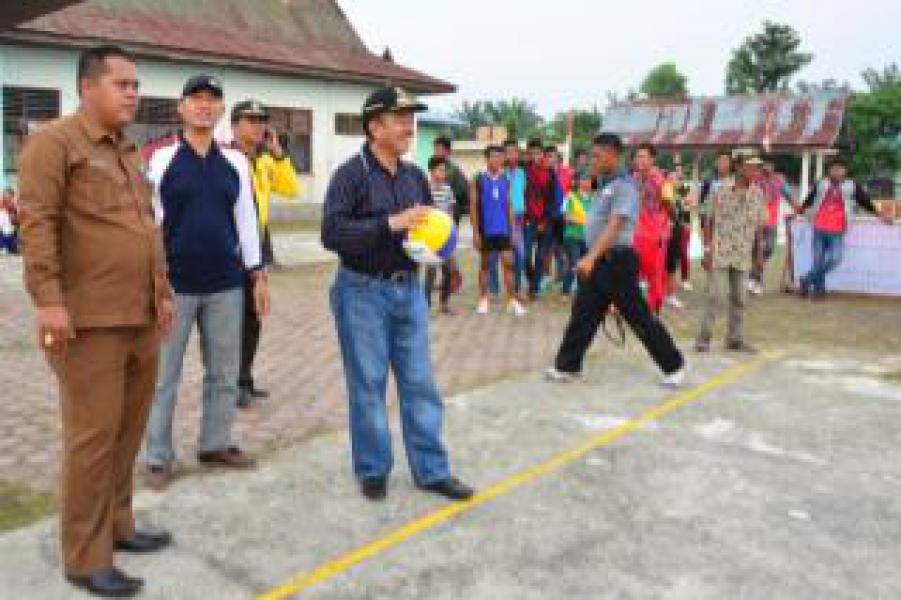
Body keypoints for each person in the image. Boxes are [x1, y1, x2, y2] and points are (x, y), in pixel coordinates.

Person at [18, 44, 176, 597]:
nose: (133, 93)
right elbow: (36, 222)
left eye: (136, 85)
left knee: (128, 432)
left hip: (139, 316)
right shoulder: (54, 144)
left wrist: (163, 293)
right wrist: (49, 300)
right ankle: (85, 557)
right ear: (88, 87)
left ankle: (119, 525)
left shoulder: (128, 153)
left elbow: (145, 229)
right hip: (86, 322)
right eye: (122, 84)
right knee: (93, 438)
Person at [322, 86, 474, 502]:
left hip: (409, 291)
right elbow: (331, 233)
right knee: (368, 383)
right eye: (400, 116)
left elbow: (428, 226)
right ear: (375, 126)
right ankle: (373, 470)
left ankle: (432, 470)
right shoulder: (350, 175)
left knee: (420, 382)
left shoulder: (414, 176)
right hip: (361, 293)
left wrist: (438, 245)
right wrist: (390, 223)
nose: (410, 125)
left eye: (411, 116)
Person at [144, 75, 270, 490]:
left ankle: (215, 443)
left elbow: (247, 221)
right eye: (195, 99)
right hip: (173, 285)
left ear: (220, 112)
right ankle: (158, 457)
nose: (204, 106)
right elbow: (146, 221)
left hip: (225, 284)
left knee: (224, 371)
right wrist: (152, 279)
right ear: (180, 108)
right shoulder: (160, 158)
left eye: (212, 100)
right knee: (164, 374)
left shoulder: (235, 162)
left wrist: (258, 273)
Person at [546, 133, 685, 386]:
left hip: (617, 262)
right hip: (599, 262)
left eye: (597, 156)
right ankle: (568, 366)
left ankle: (673, 365)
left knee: (639, 316)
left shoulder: (625, 186)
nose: (592, 161)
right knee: (583, 314)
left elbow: (615, 225)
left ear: (613, 155)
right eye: (592, 155)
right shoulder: (605, 185)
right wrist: (592, 259)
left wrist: (590, 257)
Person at [229, 99, 299, 408]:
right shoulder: (224, 157)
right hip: (230, 246)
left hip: (258, 243)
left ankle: (245, 379)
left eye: (262, 121)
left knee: (254, 315)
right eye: (251, 120)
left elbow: (291, 188)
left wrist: (278, 152)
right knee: (232, 318)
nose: (258, 126)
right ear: (235, 125)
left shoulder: (265, 161)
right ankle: (230, 383)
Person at [695, 156, 769, 353]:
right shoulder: (719, 190)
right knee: (716, 296)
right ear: (738, 167)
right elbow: (708, 221)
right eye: (751, 167)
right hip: (720, 251)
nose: (755, 172)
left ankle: (734, 339)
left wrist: (759, 254)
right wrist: (707, 250)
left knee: (740, 298)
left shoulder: (758, 193)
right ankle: (703, 338)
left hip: (743, 253)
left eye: (757, 168)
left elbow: (760, 226)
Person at [796, 156, 894, 299]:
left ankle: (806, 279)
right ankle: (819, 291)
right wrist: (798, 211)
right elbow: (808, 200)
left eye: (840, 169)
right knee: (818, 260)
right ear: (829, 171)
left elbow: (865, 201)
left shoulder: (852, 185)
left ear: (845, 171)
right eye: (833, 169)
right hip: (818, 226)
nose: (836, 171)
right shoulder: (821, 183)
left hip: (838, 229)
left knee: (835, 259)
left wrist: (881, 215)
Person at [471, 145, 527, 316]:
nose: (496, 160)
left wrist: (513, 230)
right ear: (486, 159)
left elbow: (509, 205)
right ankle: (483, 299)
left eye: (499, 157)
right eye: (493, 156)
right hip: (486, 230)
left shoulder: (506, 179)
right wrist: (475, 233)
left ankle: (511, 300)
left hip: (503, 230)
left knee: (509, 264)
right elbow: (473, 207)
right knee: (485, 266)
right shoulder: (478, 179)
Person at [632, 142, 672, 314]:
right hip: (635, 231)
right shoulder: (633, 178)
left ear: (652, 159)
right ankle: (631, 305)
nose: (639, 160)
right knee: (632, 269)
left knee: (654, 271)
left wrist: (662, 228)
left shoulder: (662, 180)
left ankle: (653, 306)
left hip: (654, 233)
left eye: (643, 156)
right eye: (637, 156)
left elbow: (669, 205)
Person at [748, 161, 793, 295]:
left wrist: (799, 209)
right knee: (757, 251)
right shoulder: (755, 181)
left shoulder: (779, 181)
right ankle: (757, 282)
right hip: (755, 221)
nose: (767, 168)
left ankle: (752, 275)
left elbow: (789, 196)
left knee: (770, 248)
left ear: (773, 168)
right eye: (765, 166)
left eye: (770, 165)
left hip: (771, 221)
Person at [522, 137, 558, 299]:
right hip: (528, 220)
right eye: (532, 153)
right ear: (528, 155)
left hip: (546, 221)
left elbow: (552, 200)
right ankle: (532, 279)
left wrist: (545, 221)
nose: (535, 156)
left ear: (542, 154)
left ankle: (534, 288)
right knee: (524, 255)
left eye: (538, 153)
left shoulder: (550, 173)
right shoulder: (524, 171)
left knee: (541, 256)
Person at [424, 155, 458, 314]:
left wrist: (452, 232)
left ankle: (444, 303)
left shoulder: (447, 189)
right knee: (430, 272)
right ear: (431, 171)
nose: (443, 173)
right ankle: (425, 305)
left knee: (449, 270)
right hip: (430, 238)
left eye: (445, 170)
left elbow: (451, 211)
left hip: (446, 237)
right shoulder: (424, 189)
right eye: (440, 170)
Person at [561, 171, 593, 295]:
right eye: (584, 179)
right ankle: (566, 290)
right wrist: (584, 221)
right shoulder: (570, 196)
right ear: (578, 181)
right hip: (572, 236)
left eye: (589, 179)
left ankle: (582, 291)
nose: (587, 182)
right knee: (574, 264)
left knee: (585, 265)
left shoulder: (594, 198)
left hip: (588, 238)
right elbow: (566, 218)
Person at [664, 166, 692, 308]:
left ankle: (671, 295)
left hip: (676, 231)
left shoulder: (681, 194)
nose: (673, 180)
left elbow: (687, 210)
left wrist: (685, 224)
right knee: (663, 263)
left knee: (672, 263)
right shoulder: (664, 195)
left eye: (675, 178)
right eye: (670, 178)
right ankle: (662, 292)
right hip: (664, 231)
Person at [433, 135, 469, 228]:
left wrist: (455, 212)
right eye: (435, 149)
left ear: (447, 151)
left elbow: (463, 192)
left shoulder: (454, 170)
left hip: (449, 216)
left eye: (439, 149)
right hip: (435, 216)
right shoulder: (432, 168)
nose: (436, 152)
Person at [0, 187, 19, 254]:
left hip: (12, 234)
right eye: (5, 197)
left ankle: (10, 247)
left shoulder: (13, 208)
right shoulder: (2, 209)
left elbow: (16, 223)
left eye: (10, 198)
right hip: (4, 234)